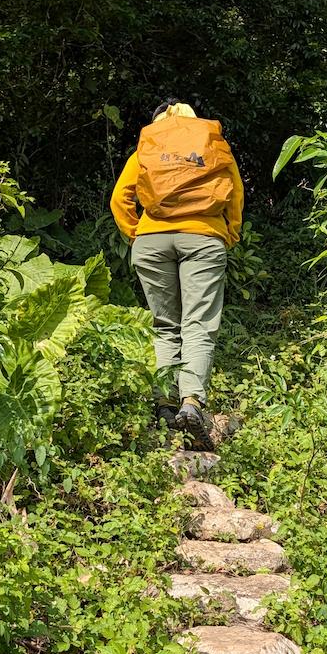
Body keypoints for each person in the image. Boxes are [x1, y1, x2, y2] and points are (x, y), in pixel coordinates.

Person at [109, 99, 243, 437]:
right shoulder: (212, 146)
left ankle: (165, 405)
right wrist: (230, 232)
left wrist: (136, 233)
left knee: (166, 326)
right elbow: (236, 194)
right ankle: (192, 402)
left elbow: (119, 198)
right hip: (203, 237)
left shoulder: (148, 149)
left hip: (151, 241)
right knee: (198, 324)